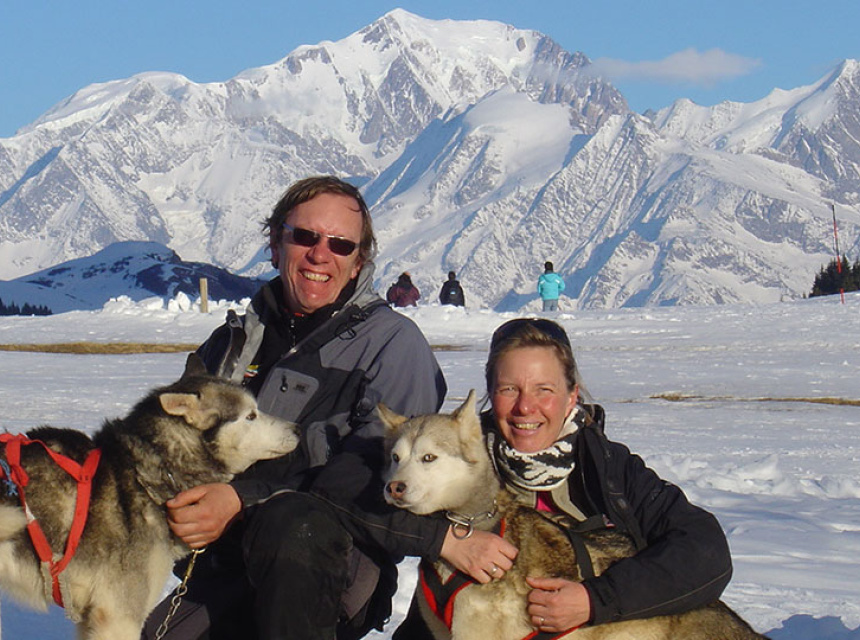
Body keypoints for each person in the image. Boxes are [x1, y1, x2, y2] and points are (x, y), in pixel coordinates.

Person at [141, 176, 450, 640]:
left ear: (359, 261)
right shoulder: (233, 343)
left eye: (341, 245)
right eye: (304, 237)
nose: (320, 255)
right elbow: (172, 444)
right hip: (226, 568)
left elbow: (373, 477)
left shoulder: (394, 347)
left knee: (293, 526)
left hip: (329, 568)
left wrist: (239, 499)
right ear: (275, 243)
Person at [395, 317, 732, 637]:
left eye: (544, 389)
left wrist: (595, 600)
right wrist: (444, 539)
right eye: (509, 389)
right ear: (491, 394)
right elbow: (355, 503)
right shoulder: (453, 456)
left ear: (572, 396)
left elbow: (705, 553)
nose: (525, 407)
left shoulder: (610, 469)